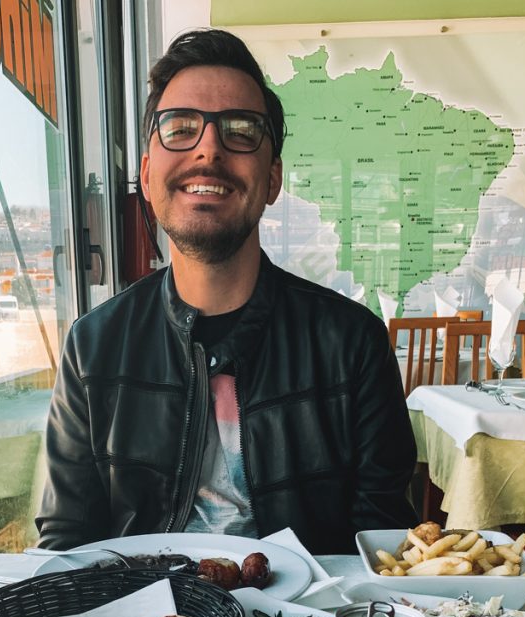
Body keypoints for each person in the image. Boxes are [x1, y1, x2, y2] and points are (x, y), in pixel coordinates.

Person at [37, 29, 417, 554]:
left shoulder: (353, 344)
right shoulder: (92, 347)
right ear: (147, 176)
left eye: (241, 131)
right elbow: (66, 542)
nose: (209, 149)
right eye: (180, 127)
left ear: (272, 179)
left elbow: (382, 546)